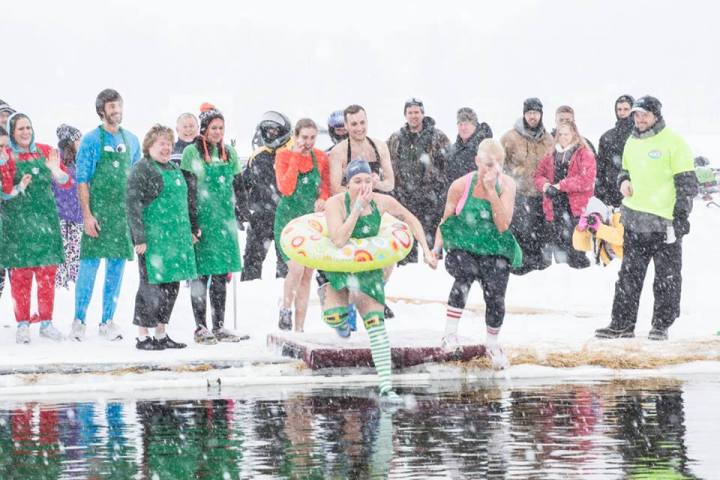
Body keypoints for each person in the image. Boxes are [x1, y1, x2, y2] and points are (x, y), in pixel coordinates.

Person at [319, 159, 437, 399]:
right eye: (356, 181)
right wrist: (356, 210)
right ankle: (333, 307)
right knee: (334, 319)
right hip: (341, 268)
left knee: (377, 326)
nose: (363, 185)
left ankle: (386, 387)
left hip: (368, 269)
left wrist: (426, 249)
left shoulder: (382, 202)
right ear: (347, 183)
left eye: (367, 180)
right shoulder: (336, 204)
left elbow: (410, 218)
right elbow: (339, 240)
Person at [595, 96, 697, 340]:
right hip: (635, 221)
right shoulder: (631, 140)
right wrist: (623, 181)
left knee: (667, 279)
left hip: (665, 224)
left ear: (656, 116)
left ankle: (661, 326)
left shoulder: (674, 142)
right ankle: (622, 324)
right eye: (637, 114)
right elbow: (624, 170)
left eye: (644, 115)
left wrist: (681, 217)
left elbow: (686, 184)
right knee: (628, 277)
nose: (639, 119)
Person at [434, 139, 522, 370]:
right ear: (477, 162)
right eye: (488, 165)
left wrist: (492, 192)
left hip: (495, 246)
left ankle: (492, 343)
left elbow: (503, 225)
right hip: (463, 244)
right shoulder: (460, 185)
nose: (493, 170)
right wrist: (435, 249)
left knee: (496, 294)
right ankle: (449, 335)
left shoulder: (507, 185)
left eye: (498, 165)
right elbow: (445, 221)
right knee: (466, 274)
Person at [71, 88, 141, 341]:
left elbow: (135, 180)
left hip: (121, 217)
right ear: (102, 111)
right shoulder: (91, 140)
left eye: (119, 105)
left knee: (116, 271)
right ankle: (79, 320)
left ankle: (107, 321)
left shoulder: (132, 140)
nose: (117, 110)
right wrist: (87, 216)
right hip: (98, 214)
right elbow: (82, 181)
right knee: (88, 268)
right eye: (112, 106)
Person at [0, 112, 71, 343]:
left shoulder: (44, 150)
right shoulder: (6, 154)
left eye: (28, 127)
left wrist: (56, 170)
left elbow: (66, 182)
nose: (25, 132)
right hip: (18, 224)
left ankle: (46, 323)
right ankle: (22, 324)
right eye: (20, 128)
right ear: (12, 132)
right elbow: (5, 193)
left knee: (46, 275)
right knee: (20, 277)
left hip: (46, 223)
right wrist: (18, 185)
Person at [181, 103, 248, 344]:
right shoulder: (192, 153)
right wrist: (192, 223)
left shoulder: (228, 152)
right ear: (204, 129)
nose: (218, 132)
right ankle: (200, 327)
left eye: (221, 127)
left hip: (224, 221)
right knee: (201, 276)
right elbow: (189, 189)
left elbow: (238, 186)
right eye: (213, 127)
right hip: (203, 222)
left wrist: (242, 212)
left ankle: (219, 325)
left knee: (221, 275)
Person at [127, 124, 195, 350]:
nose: (166, 148)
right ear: (150, 146)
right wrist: (139, 238)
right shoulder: (142, 169)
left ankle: (161, 333)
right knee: (150, 285)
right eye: (161, 143)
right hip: (153, 241)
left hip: (176, 240)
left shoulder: (175, 170)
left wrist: (191, 231)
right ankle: (143, 335)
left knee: (171, 286)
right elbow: (133, 205)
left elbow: (185, 204)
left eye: (169, 143)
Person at [274, 118, 331, 332]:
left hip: (309, 221)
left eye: (312, 138)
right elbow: (286, 188)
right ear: (295, 137)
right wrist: (296, 157)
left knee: (307, 273)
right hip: (288, 219)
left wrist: (323, 198)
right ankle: (285, 308)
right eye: (304, 137)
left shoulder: (321, 157)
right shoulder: (284, 156)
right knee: (296, 269)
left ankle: (299, 327)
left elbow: (326, 185)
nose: (308, 142)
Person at [387, 97, 450, 263]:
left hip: (430, 199)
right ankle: (406, 269)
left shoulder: (437, 136)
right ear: (405, 115)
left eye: (417, 112)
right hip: (404, 198)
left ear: (423, 114)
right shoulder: (396, 138)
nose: (413, 116)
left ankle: (432, 266)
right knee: (405, 243)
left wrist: (439, 190)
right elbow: (386, 162)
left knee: (430, 246)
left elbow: (448, 164)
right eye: (410, 112)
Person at [500, 97, 554, 275]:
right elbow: (499, 163)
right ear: (524, 114)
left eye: (536, 113)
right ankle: (518, 268)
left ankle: (539, 271)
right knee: (521, 233)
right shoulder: (510, 137)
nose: (533, 116)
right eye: (529, 113)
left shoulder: (548, 139)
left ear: (541, 115)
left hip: (541, 195)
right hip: (518, 195)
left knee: (539, 235)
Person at [534, 121, 596, 269]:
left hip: (576, 210)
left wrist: (561, 186)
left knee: (577, 250)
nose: (563, 137)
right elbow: (537, 175)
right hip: (554, 208)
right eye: (560, 134)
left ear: (574, 134)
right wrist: (545, 185)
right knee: (559, 252)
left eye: (566, 134)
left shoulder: (584, 153)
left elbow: (586, 180)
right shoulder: (551, 154)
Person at [240, 111, 292, 281]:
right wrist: (240, 210)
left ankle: (286, 299)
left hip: (287, 216)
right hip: (261, 215)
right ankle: (250, 296)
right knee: (251, 262)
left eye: (274, 131)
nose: (270, 134)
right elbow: (243, 185)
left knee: (287, 265)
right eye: (267, 131)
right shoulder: (257, 155)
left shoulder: (294, 152)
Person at [329, 104, 394, 194]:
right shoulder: (338, 152)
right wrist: (361, 192)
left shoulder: (380, 147)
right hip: (351, 205)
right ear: (346, 125)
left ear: (367, 121)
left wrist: (376, 184)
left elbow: (390, 184)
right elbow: (335, 189)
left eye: (362, 122)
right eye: (354, 124)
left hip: (376, 203)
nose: (359, 128)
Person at [52, 124, 83, 289]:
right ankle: (59, 285)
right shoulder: (56, 161)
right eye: (78, 139)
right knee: (61, 251)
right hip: (60, 216)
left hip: (78, 217)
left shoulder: (81, 161)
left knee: (76, 252)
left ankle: (74, 283)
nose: (80, 142)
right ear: (69, 142)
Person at [595, 95, 635, 207]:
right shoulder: (607, 137)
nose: (622, 113)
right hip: (612, 193)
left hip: (635, 190)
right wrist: (600, 192)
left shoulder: (640, 136)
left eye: (626, 109)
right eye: (619, 109)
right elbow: (600, 168)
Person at [445, 107, 493, 183]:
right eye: (460, 124)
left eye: (466, 124)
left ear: (475, 125)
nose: (463, 128)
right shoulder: (453, 149)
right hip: (456, 192)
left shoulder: (485, 146)